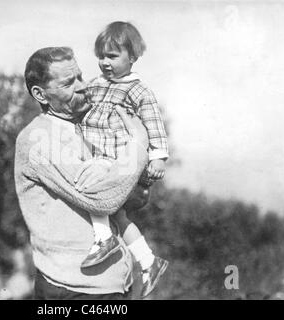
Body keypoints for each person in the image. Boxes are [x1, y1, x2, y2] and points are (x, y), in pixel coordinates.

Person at [15, 46, 150, 299]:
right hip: (74, 290)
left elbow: (133, 194)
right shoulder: (38, 139)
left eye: (80, 76)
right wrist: (139, 144)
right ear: (40, 94)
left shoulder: (84, 129)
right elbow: (102, 199)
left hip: (109, 286)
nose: (82, 86)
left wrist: (125, 186)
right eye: (68, 83)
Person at [77, 21, 169, 298]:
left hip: (117, 158)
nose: (105, 62)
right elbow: (78, 106)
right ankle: (148, 261)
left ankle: (104, 239)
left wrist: (158, 158)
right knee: (116, 213)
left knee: (93, 187)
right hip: (95, 153)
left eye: (113, 56)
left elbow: (154, 125)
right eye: (101, 56)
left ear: (132, 56)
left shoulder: (138, 91)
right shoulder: (95, 85)